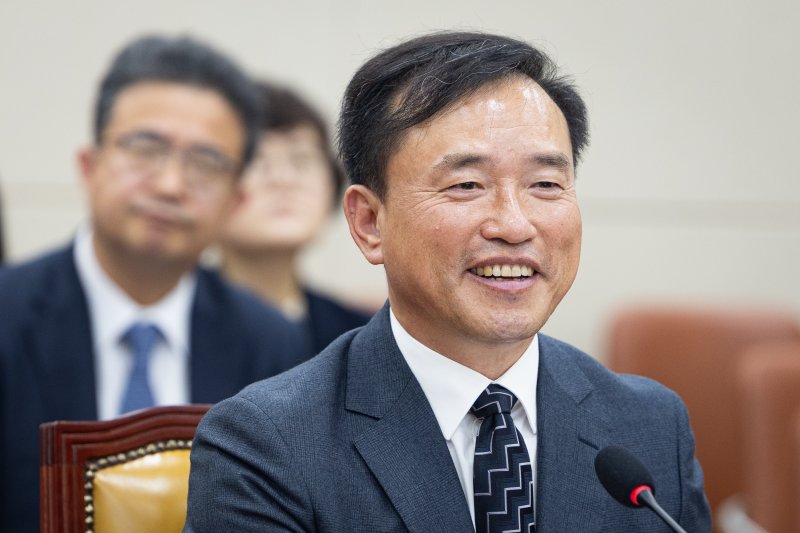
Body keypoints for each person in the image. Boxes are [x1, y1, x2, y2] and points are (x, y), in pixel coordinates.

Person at [185, 31, 711, 532]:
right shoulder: (266, 445)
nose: (514, 225)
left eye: (546, 184)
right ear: (369, 223)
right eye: (466, 185)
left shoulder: (648, 425)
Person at [0, 35, 308, 532]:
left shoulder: (271, 344)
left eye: (206, 163)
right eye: (146, 149)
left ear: (235, 199)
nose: (170, 186)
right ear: (89, 165)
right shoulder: (7, 315)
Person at [218, 81, 372, 355]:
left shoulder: (360, 337)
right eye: (256, 161)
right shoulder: (172, 320)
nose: (283, 180)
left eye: (301, 160)